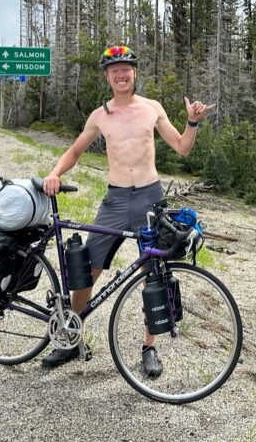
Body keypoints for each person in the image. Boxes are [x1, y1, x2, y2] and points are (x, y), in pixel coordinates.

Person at [39, 44, 213, 376]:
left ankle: (150, 347)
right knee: (87, 270)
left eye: (126, 69)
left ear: (134, 73)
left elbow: (182, 148)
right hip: (116, 200)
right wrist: (55, 173)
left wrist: (192, 123)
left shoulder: (152, 108)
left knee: (154, 275)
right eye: (114, 70)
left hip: (150, 198)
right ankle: (72, 338)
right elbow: (75, 151)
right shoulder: (100, 115)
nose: (121, 74)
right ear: (107, 76)